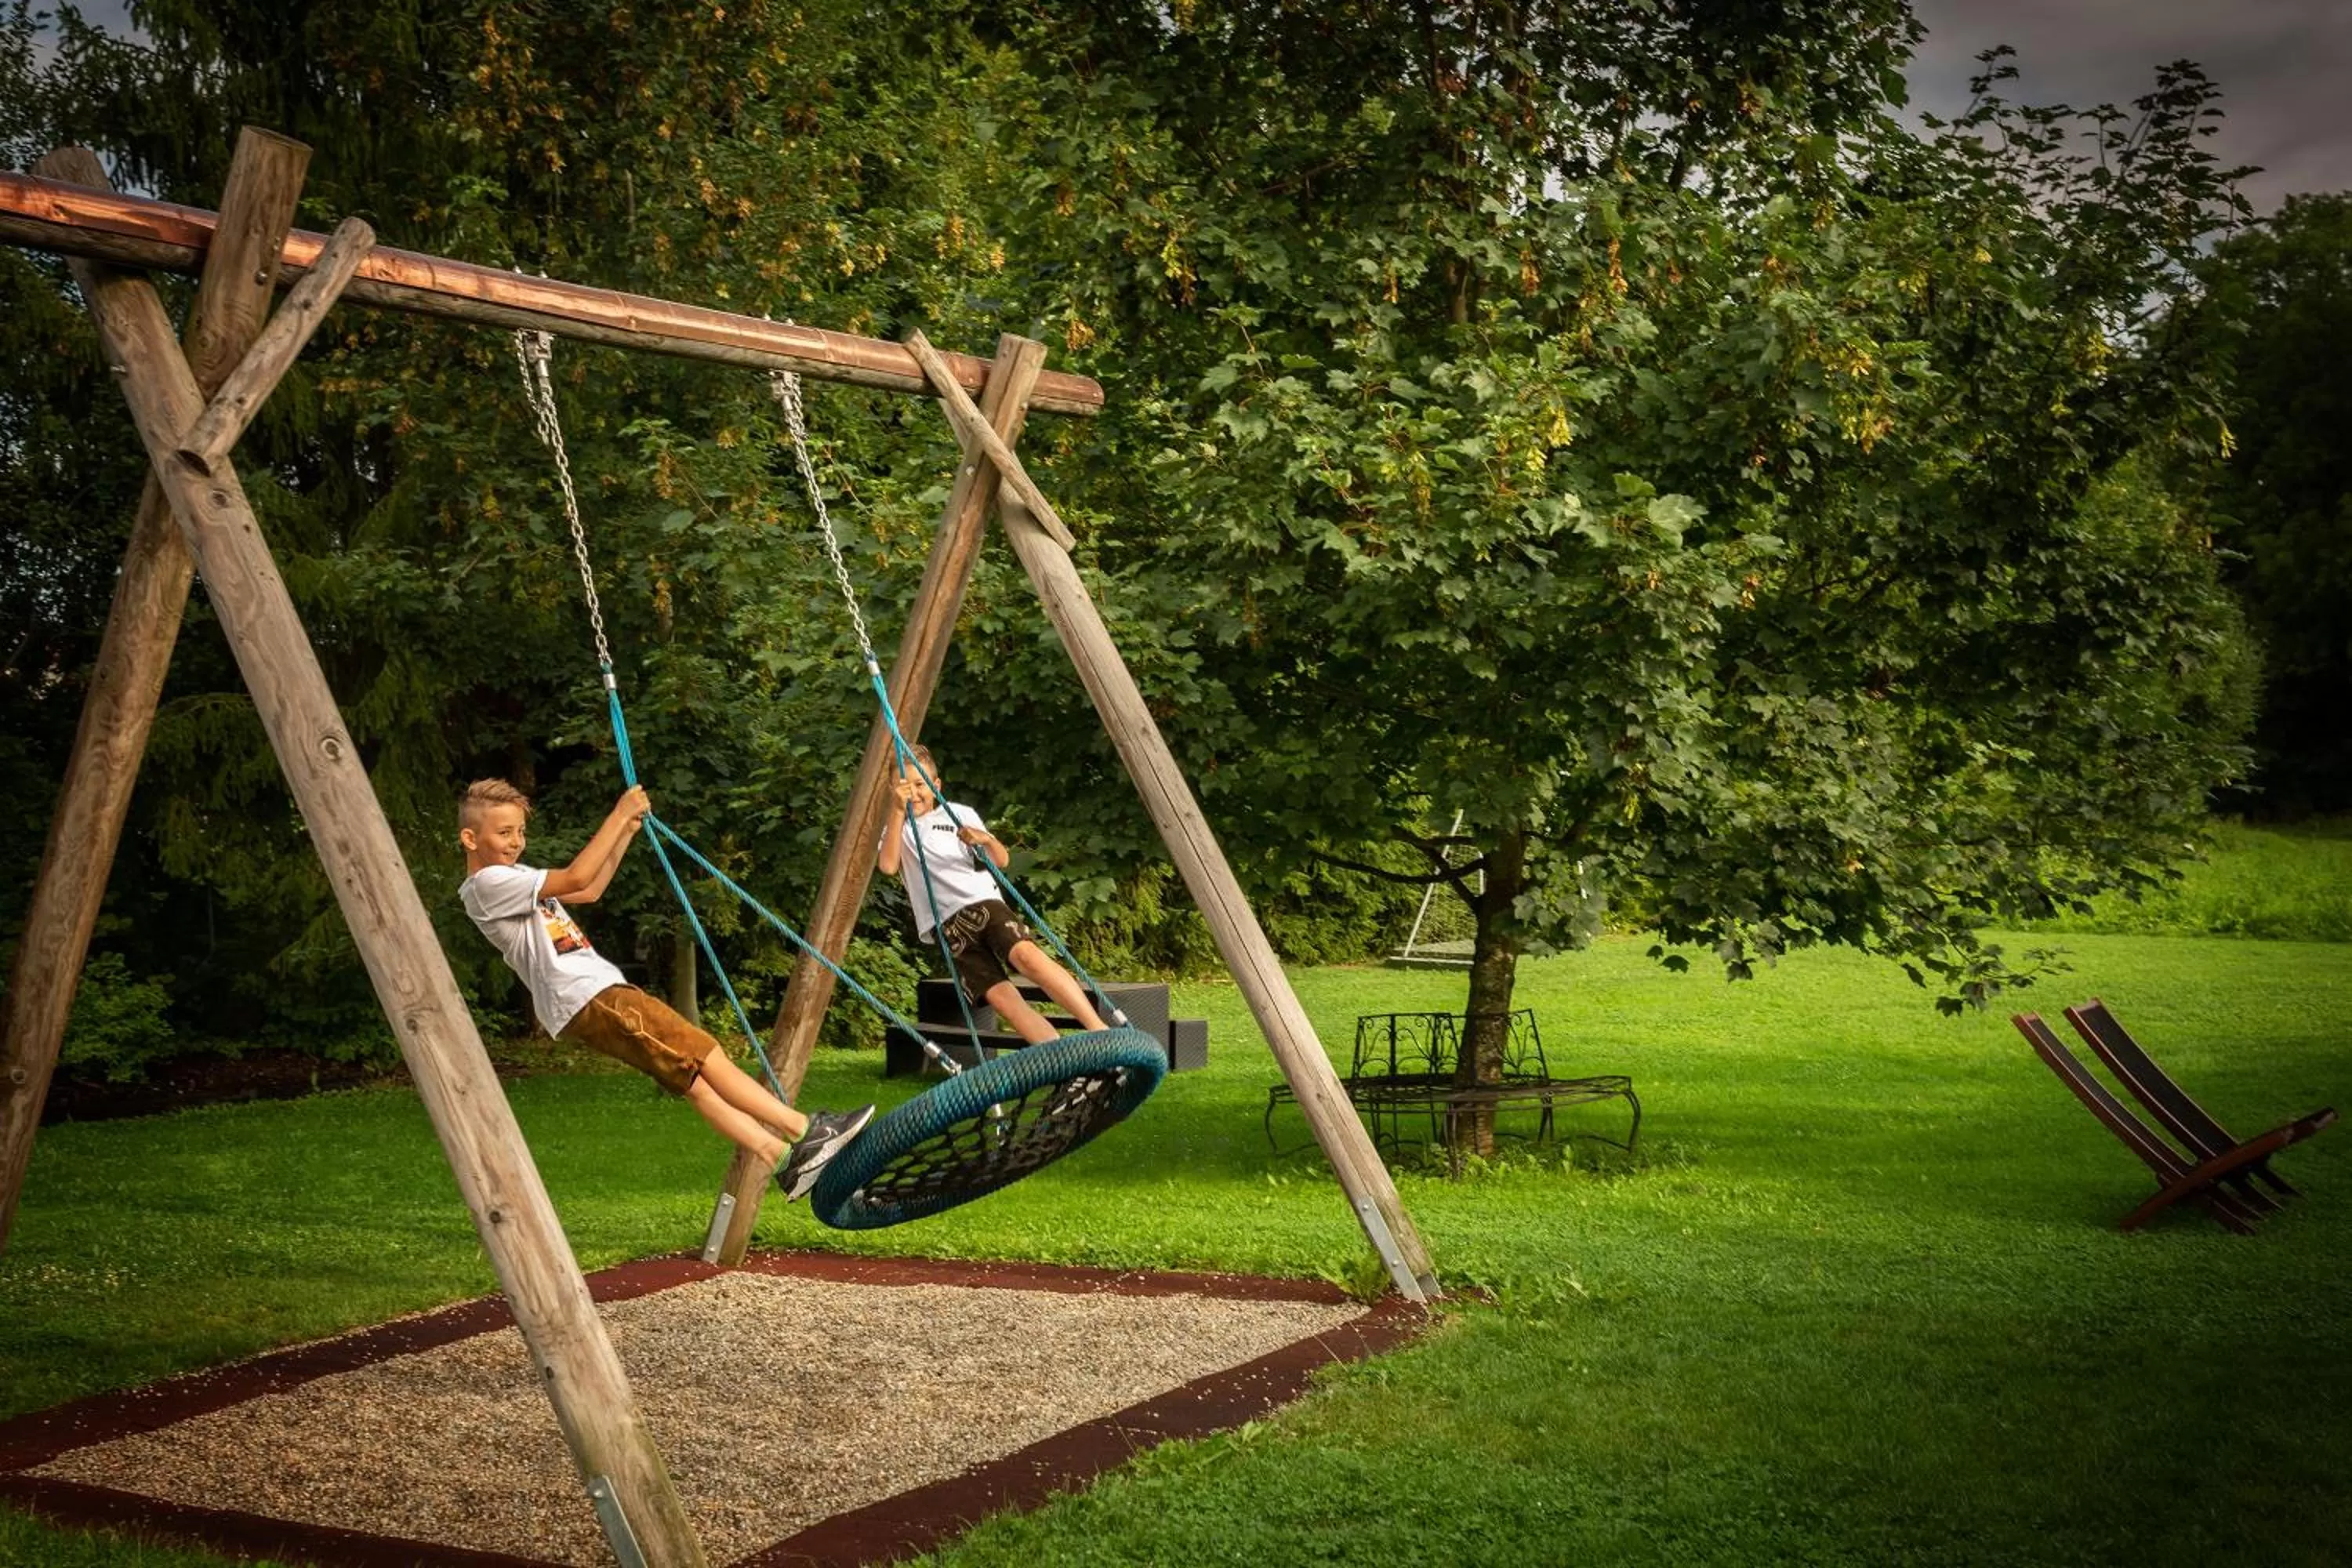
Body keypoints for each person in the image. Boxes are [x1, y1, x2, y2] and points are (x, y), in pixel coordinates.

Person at [456, 778, 870, 1200]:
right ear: (470, 838)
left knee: (694, 1082)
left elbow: (589, 889)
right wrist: (618, 813)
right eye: (504, 832)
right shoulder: (487, 886)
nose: (516, 842)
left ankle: (782, 1160)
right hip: (590, 997)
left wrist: (625, 833)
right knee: (702, 1051)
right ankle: (806, 1131)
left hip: (589, 998)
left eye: (521, 831)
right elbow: (577, 873)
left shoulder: (514, 877)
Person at [877, 745, 1109, 1044]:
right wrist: (896, 811)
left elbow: (1001, 860)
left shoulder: (958, 813)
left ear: (936, 786)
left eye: (920, 784)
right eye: (904, 786)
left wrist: (984, 838)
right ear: (893, 790)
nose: (914, 793)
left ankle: (1097, 1029)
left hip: (983, 905)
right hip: (948, 927)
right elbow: (887, 865)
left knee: (1027, 957)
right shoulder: (899, 830)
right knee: (1001, 998)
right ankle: (1065, 1056)